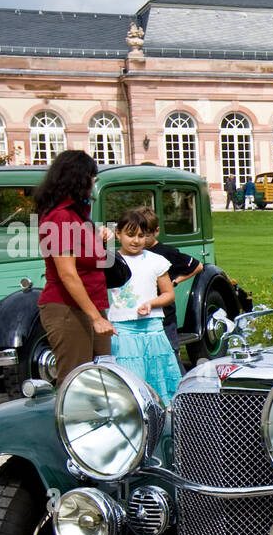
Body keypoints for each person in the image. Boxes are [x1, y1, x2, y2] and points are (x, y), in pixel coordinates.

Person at [36, 150, 116, 384]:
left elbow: (84, 258)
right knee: (76, 382)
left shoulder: (78, 215)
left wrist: (98, 240)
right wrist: (96, 318)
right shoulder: (59, 217)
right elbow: (67, 273)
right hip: (67, 308)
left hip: (91, 303)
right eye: (92, 176)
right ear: (80, 179)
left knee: (101, 379)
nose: (94, 182)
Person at [105, 206, 182, 404]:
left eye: (141, 235)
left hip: (152, 327)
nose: (136, 240)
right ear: (118, 233)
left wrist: (151, 303)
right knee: (130, 381)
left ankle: (165, 416)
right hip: (124, 330)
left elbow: (168, 294)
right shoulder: (110, 260)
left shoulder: (156, 260)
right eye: (130, 235)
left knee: (159, 378)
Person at [143, 220, 204, 363]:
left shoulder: (166, 252)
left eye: (146, 235)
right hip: (145, 314)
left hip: (165, 315)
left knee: (171, 354)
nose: (142, 240)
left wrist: (175, 281)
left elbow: (198, 266)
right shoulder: (136, 253)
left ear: (156, 231)